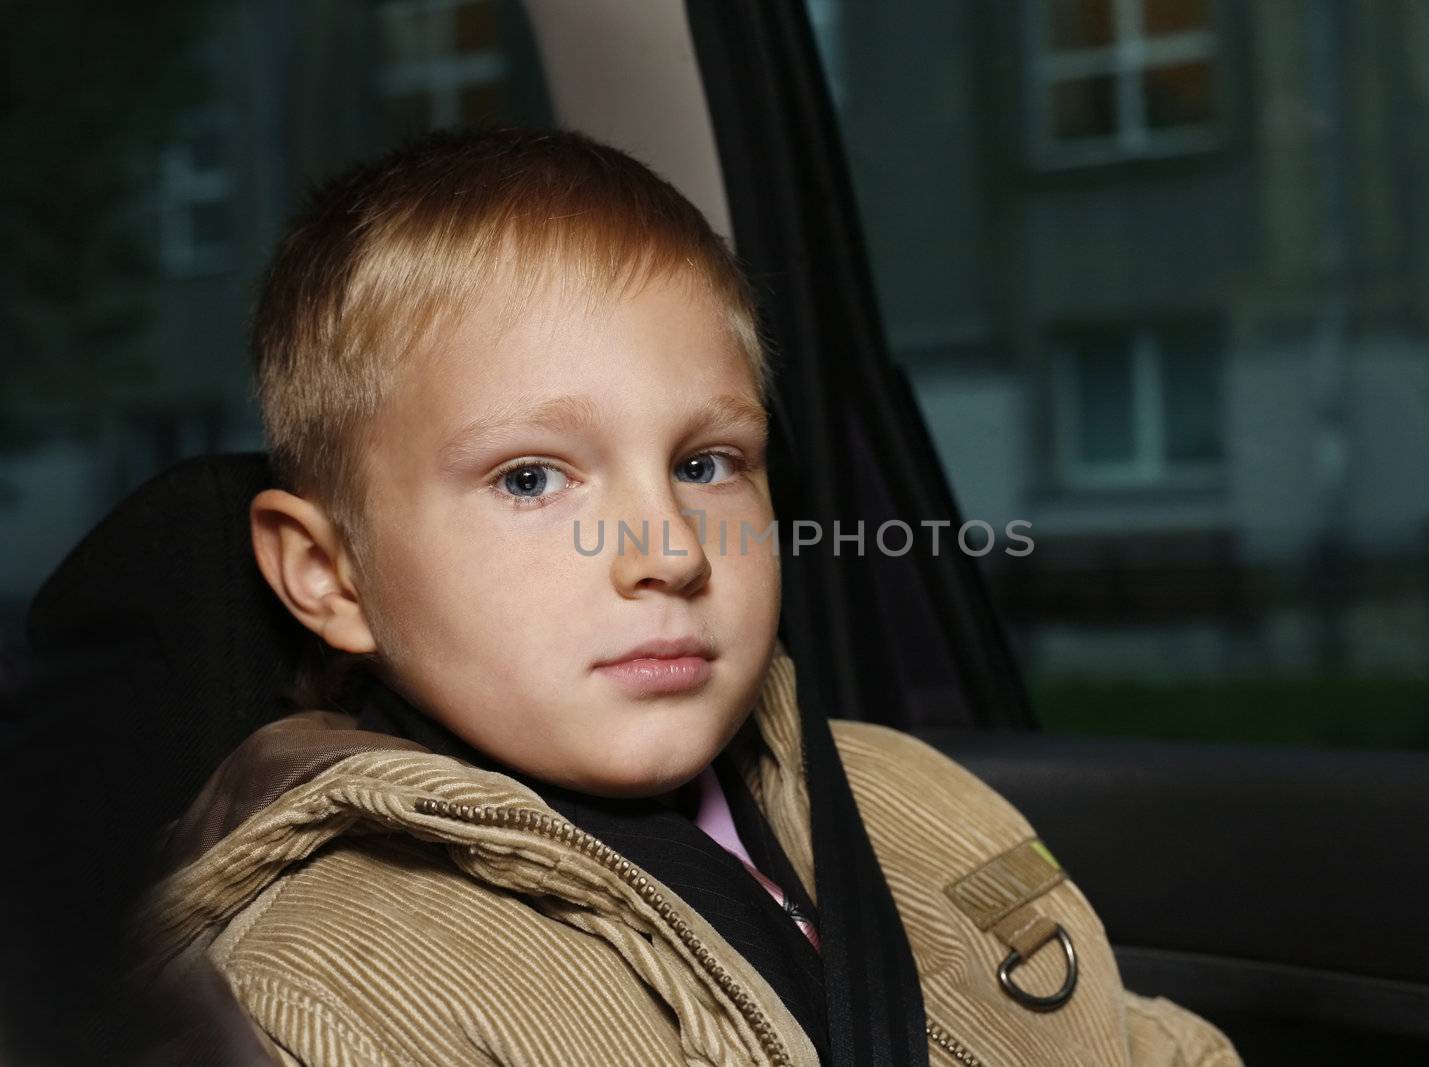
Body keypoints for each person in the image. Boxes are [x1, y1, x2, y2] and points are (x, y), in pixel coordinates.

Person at [133, 126, 1241, 1067]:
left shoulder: (910, 797)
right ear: (328, 574)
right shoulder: (330, 982)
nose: (665, 549)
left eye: (708, 462)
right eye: (529, 477)